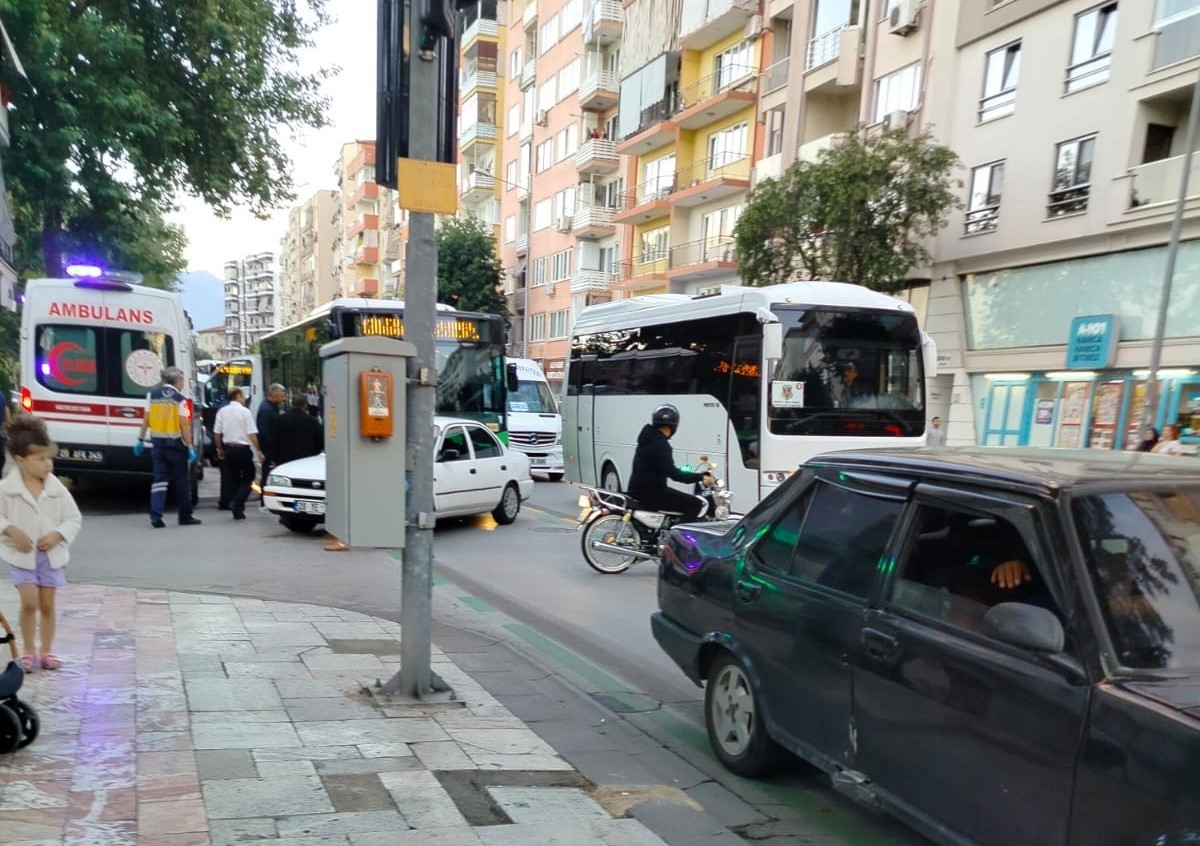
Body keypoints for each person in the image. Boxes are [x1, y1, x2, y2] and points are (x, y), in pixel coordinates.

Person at [1, 414, 82, 672]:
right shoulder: (6, 489)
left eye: (49, 458)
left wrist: (57, 535)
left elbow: (73, 518)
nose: (48, 464)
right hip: (21, 556)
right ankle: (27, 651)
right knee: (30, 602)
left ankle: (46, 651)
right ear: (21, 461)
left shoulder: (57, 489)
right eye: (41, 459)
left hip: (50, 557)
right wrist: (11, 529)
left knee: (47, 604)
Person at [135, 367, 200, 528]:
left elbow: (146, 420)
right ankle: (185, 516)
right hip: (177, 446)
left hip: (157, 445)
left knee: (159, 481)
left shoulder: (152, 395)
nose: (182, 383)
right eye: (182, 381)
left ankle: (156, 516)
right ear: (177, 381)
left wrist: (140, 440)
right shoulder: (180, 399)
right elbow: (184, 425)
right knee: (181, 481)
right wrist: (190, 447)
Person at [626, 404, 714, 522]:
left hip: (638, 490)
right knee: (696, 504)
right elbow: (674, 474)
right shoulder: (662, 445)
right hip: (651, 493)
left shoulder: (648, 439)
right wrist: (700, 477)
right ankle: (676, 538)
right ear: (674, 425)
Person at [213, 387, 264, 520]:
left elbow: (217, 433)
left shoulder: (222, 411)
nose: (244, 398)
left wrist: (220, 449)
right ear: (238, 395)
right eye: (243, 395)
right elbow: (252, 433)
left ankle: (238, 511)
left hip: (229, 449)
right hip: (243, 449)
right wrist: (259, 451)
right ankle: (238, 502)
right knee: (249, 477)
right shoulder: (245, 412)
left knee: (234, 479)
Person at [273, 394, 324, 466]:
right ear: (305, 405)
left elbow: (274, 439)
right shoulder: (312, 421)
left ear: (292, 404)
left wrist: (274, 457)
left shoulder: (280, 419)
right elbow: (320, 440)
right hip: (306, 460)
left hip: (284, 461)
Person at [257, 384, 286, 497]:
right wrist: (270, 451)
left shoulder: (271, 407)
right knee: (267, 474)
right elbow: (264, 432)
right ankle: (264, 499)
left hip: (269, 449)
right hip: (268, 450)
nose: (283, 399)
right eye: (282, 396)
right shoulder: (267, 410)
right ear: (274, 395)